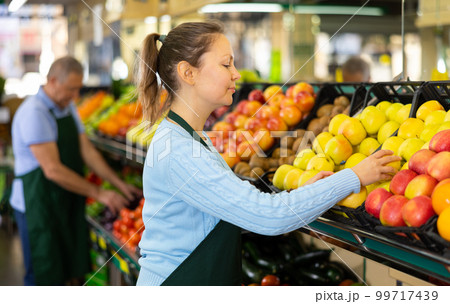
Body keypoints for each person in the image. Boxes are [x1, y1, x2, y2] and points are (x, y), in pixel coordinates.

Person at [136, 22, 400, 286]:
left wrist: (304, 194)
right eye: (226, 65)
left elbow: (231, 211)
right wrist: (354, 176)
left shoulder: (193, 138)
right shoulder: (181, 152)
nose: (236, 74)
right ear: (188, 73)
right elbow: (268, 217)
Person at [10, 56, 141, 286]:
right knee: (44, 274)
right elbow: (52, 170)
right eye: (71, 89)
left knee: (69, 271)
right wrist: (100, 193)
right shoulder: (35, 112)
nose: (76, 96)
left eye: (78, 89)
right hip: (38, 207)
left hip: (65, 199)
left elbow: (87, 152)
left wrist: (119, 184)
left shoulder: (66, 105)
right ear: (52, 81)